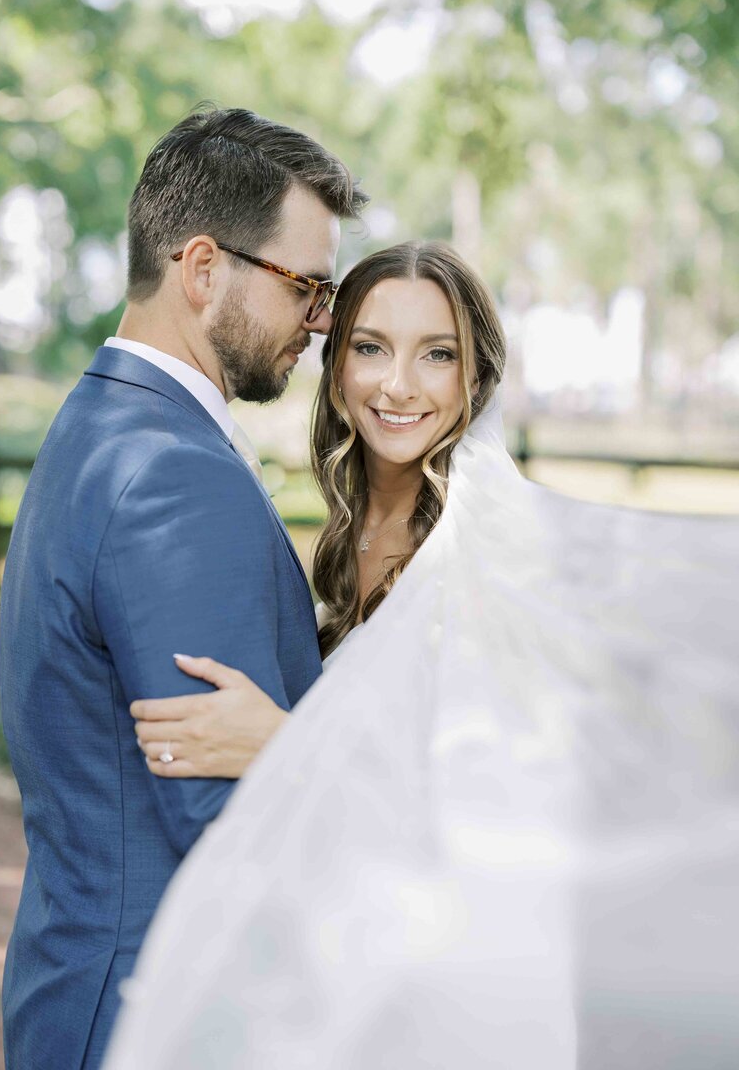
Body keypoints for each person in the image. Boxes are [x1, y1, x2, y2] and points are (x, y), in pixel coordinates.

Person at [104, 241, 739, 1069]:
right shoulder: (342, 544)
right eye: (370, 348)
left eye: (436, 355)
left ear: (475, 378)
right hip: (357, 965)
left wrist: (284, 747)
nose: (397, 385)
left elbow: (503, 810)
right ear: (335, 371)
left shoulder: (498, 554)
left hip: (460, 997)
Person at [0, 106, 367, 1069]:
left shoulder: (100, 423)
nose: (324, 322)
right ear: (203, 270)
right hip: (161, 1015)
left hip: (90, 985)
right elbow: (229, 815)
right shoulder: (171, 471)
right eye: (306, 288)